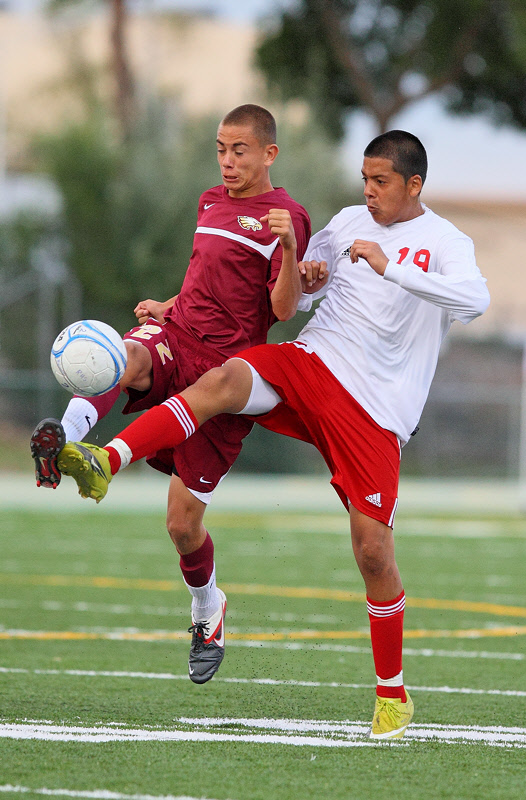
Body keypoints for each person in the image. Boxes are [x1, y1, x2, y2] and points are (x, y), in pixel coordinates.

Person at [51, 130, 490, 740]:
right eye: (365, 179)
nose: (369, 192)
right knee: (228, 378)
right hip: (312, 364)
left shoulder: (445, 241)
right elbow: (296, 299)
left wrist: (392, 269)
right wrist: (310, 274)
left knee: (372, 553)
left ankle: (392, 692)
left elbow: (474, 299)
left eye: (382, 182)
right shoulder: (342, 223)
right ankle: (106, 457)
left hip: (375, 412)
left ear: (414, 185)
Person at [30, 103, 312, 685]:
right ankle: (67, 445)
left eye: (239, 150)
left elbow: (281, 311)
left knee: (182, 525)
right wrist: (169, 306)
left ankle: (209, 607)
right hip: (178, 336)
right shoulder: (209, 201)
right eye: (220, 149)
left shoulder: (286, 216)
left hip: (227, 370)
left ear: (269, 153)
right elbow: (202, 280)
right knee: (124, 355)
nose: (228, 161)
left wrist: (288, 251)